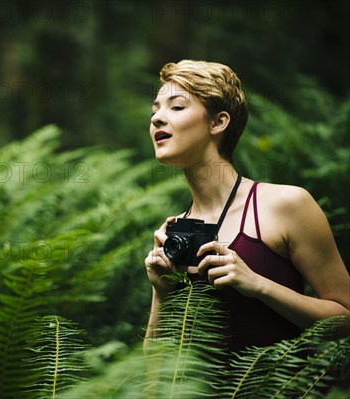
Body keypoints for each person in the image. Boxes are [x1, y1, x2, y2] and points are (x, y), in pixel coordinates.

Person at [143, 60, 350, 352]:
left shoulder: (286, 205)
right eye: (155, 110)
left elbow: (346, 319)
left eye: (176, 107)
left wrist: (258, 285)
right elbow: (155, 365)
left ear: (218, 122)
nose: (157, 119)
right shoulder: (174, 233)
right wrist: (161, 291)